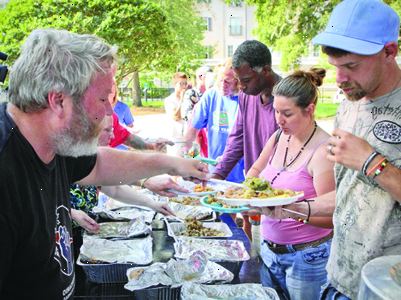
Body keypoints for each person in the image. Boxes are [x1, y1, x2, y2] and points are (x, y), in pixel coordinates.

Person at [0, 29, 208, 299]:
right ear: (58, 100)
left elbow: (97, 165)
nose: (109, 112)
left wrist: (172, 164)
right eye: (102, 99)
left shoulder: (53, 140)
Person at [277, 1, 401, 299]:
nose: (340, 79)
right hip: (337, 278)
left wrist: (373, 163)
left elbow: (368, 170)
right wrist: (289, 207)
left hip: (385, 287)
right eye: (336, 67)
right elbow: (350, 193)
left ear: (389, 51)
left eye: (351, 66)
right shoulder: (349, 103)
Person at [248, 68, 335, 300]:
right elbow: (256, 170)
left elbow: (332, 217)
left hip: (306, 258)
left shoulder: (323, 150)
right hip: (270, 251)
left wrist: (289, 212)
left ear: (310, 109)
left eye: (287, 113)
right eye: (276, 111)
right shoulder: (278, 137)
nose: (279, 119)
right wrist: (247, 190)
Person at [212, 40, 280, 239]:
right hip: (252, 188)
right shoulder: (246, 95)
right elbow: (238, 138)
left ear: (266, 70)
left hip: (278, 196)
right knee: (250, 248)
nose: (241, 86)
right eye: (238, 80)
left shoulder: (287, 101)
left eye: (247, 80)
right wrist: (217, 176)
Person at [184, 58, 244, 183]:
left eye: (228, 82)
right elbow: (193, 130)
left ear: (238, 82)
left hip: (241, 173)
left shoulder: (247, 99)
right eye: (220, 80)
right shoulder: (211, 95)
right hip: (214, 170)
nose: (222, 85)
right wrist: (190, 158)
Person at [164, 72, 189, 155]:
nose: (184, 86)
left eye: (185, 83)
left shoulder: (189, 98)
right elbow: (175, 116)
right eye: (181, 84)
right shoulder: (169, 100)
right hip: (175, 139)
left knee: (192, 158)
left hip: (187, 137)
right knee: (176, 161)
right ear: (175, 84)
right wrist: (181, 100)